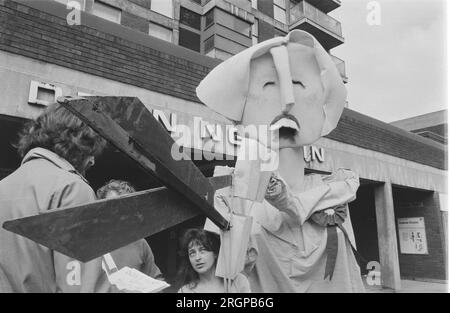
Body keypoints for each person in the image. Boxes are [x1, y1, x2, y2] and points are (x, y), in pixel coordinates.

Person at [196, 30, 365, 292]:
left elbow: (349, 277)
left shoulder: (338, 187)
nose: (287, 101)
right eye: (268, 85)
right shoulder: (231, 193)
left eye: (298, 84)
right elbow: (220, 275)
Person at [0, 102, 106, 292]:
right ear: (80, 144)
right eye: (92, 151)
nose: (93, 161)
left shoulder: (4, 186)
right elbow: (80, 289)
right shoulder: (72, 189)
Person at [95, 179, 164, 289]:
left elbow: (156, 280)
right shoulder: (89, 243)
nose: (117, 211)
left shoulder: (140, 243)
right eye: (112, 205)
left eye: (123, 206)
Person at [177, 229, 250, 293]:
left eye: (202, 250)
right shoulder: (184, 291)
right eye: (192, 253)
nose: (197, 258)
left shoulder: (238, 282)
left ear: (215, 253)